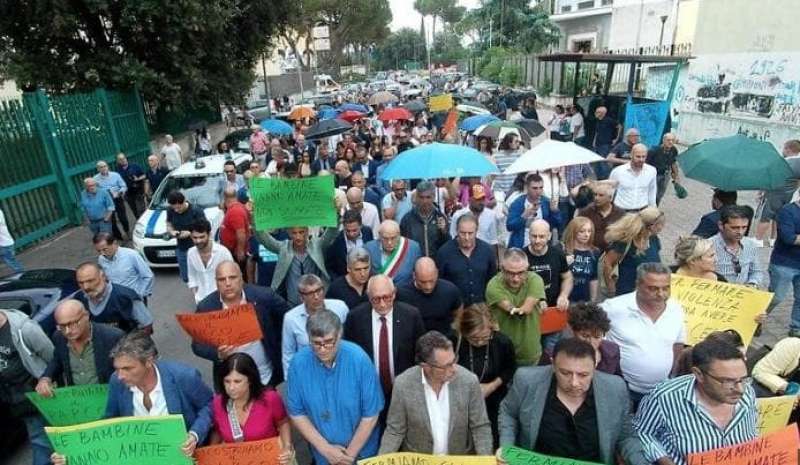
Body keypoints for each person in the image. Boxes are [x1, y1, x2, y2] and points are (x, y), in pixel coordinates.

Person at [499, 338, 646, 465]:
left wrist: (639, 461)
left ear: (595, 367)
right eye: (565, 373)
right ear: (553, 365)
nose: (574, 382)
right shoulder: (527, 380)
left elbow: (625, 435)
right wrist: (507, 448)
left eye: (583, 375)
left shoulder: (615, 388)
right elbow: (508, 412)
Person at [634, 337, 757, 465]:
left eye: (743, 379)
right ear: (699, 374)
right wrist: (665, 461)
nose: (740, 389)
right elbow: (642, 433)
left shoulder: (748, 394)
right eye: (727, 381)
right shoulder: (664, 397)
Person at [286, 310, 384, 465]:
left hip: (362, 454)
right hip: (323, 455)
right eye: (316, 343)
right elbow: (297, 413)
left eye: (328, 342)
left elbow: (371, 415)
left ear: (339, 335)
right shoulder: (298, 364)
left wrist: (347, 457)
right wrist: (326, 450)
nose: (322, 349)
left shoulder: (359, 359)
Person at [379, 330, 493, 455]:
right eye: (446, 366)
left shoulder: (469, 381)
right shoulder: (403, 384)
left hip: (457, 459)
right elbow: (395, 430)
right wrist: (382, 459)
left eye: (454, 361)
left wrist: (486, 459)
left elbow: (480, 427)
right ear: (425, 366)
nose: (453, 369)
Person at [103, 332, 213, 457]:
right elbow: (110, 418)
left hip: (180, 457)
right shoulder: (116, 381)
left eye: (128, 368)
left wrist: (194, 435)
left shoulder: (184, 376)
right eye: (117, 369)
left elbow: (210, 405)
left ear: (149, 361)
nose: (121, 376)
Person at [601, 263, 686, 408]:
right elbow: (584, 326)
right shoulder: (613, 308)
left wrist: (671, 375)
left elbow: (677, 344)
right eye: (653, 288)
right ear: (638, 285)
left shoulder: (676, 309)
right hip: (621, 391)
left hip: (659, 393)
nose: (661, 294)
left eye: (666, 288)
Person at [344, 275, 425, 401]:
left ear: (394, 294)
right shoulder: (355, 318)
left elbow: (421, 354)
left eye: (386, 297)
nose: (382, 304)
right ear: (368, 296)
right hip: (368, 392)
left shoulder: (411, 316)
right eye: (376, 299)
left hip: (404, 392)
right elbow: (349, 355)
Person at [209, 353, 294, 464]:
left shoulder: (270, 398)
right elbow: (217, 430)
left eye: (237, 381)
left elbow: (283, 422)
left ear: (250, 380)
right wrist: (211, 454)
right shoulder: (218, 403)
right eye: (227, 381)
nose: (231, 387)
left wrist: (286, 446)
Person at [453, 304, 516, 447]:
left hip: (493, 399)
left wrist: (491, 386)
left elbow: (510, 368)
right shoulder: (454, 341)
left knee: (491, 440)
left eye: (485, 338)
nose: (480, 342)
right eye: (474, 338)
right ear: (464, 331)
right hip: (462, 400)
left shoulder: (502, 342)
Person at [0, 308, 54, 465]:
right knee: (39, 440)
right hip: (17, 400)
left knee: (49, 439)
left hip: (39, 394)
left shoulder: (25, 329)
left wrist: (46, 380)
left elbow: (52, 357)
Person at [36, 300, 124, 394]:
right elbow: (57, 360)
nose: (68, 331)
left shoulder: (112, 337)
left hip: (108, 397)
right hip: (78, 401)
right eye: (62, 326)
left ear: (86, 316)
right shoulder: (59, 337)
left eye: (73, 323)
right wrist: (46, 378)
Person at [486, 248, 546, 366]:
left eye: (520, 273)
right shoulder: (493, 285)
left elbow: (527, 308)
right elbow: (507, 306)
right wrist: (514, 309)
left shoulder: (536, 280)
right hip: (503, 353)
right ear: (502, 269)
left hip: (530, 353)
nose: (516, 278)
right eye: (510, 273)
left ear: (527, 268)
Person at [256, 223, 338, 307]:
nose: (298, 237)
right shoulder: (284, 248)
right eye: (294, 233)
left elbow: (330, 234)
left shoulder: (316, 245)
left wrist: (337, 215)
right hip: (292, 303)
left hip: (316, 301)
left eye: (301, 232)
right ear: (289, 234)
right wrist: (254, 221)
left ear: (307, 232)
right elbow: (265, 240)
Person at [282, 274, 349, 376]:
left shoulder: (340, 307)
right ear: (301, 297)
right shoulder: (291, 318)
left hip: (340, 369)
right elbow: (288, 353)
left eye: (319, 290)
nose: (316, 297)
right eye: (310, 293)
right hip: (308, 372)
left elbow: (348, 339)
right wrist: (290, 379)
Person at [545, 302, 623, 376]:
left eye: (597, 337)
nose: (591, 342)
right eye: (585, 336)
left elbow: (617, 380)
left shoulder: (613, 350)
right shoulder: (554, 354)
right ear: (572, 331)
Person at [74, 262, 154, 334]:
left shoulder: (126, 297)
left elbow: (146, 325)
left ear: (103, 277)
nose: (86, 287)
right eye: (81, 283)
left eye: (90, 281)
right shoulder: (79, 299)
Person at [601, 207, 664, 297]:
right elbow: (607, 263)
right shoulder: (625, 242)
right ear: (651, 226)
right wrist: (611, 287)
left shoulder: (653, 239)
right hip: (625, 292)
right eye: (660, 224)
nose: (662, 227)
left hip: (646, 292)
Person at [438, 214, 498, 306]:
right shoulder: (444, 252)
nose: (466, 237)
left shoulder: (487, 251)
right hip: (454, 309)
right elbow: (440, 283)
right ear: (456, 231)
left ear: (476, 231)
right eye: (463, 233)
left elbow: (493, 280)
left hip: (481, 310)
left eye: (470, 233)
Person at [396, 257, 463, 336]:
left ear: (437, 273)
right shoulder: (401, 293)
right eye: (423, 282)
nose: (428, 286)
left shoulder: (450, 290)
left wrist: (454, 328)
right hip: (415, 342)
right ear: (414, 275)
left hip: (444, 340)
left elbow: (458, 310)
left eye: (432, 281)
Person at [756, 140, 800, 247]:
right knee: (778, 217)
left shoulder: (783, 163)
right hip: (790, 194)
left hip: (775, 193)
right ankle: (773, 239)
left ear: (788, 149)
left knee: (766, 216)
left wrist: (761, 191)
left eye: (784, 148)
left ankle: (758, 239)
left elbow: (769, 178)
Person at [768, 194, 800, 336]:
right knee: (776, 297)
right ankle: (756, 318)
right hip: (784, 262)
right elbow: (789, 238)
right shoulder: (788, 211)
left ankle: (796, 328)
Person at [524, 220, 573, 312]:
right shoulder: (522, 257)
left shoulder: (558, 254)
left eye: (541, 237)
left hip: (555, 308)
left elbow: (567, 277)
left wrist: (563, 295)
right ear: (529, 235)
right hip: (529, 311)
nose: (537, 241)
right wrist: (535, 300)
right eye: (534, 236)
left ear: (549, 236)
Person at [711, 205, 764, 286]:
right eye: (735, 228)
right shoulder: (708, 246)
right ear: (721, 225)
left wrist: (752, 283)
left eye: (744, 227)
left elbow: (756, 271)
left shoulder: (750, 245)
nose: (740, 232)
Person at [506, 174, 562, 249]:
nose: (538, 191)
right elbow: (509, 226)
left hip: (541, 246)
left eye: (541, 188)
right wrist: (524, 215)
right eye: (534, 188)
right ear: (527, 188)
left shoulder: (546, 202)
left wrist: (554, 211)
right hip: (521, 246)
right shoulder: (518, 203)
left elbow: (557, 224)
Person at [94, 232, 154, 300]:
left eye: (105, 249)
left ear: (114, 243)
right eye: (99, 251)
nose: (102, 253)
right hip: (117, 299)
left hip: (134, 299)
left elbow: (148, 276)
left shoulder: (132, 255)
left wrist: (139, 294)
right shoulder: (101, 259)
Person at [364, 220, 422, 288]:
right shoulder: (368, 248)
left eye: (393, 238)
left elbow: (418, 275)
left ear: (399, 234)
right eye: (385, 238)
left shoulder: (413, 248)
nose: (389, 242)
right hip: (379, 295)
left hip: (405, 294)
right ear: (379, 235)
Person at [187, 219, 233, 303]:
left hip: (222, 300)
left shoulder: (223, 252)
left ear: (209, 235)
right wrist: (195, 291)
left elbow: (233, 275)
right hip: (201, 299)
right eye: (195, 237)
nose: (198, 241)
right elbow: (191, 275)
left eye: (202, 237)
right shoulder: (191, 253)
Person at [166, 190, 207, 283]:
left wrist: (190, 233)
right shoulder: (170, 210)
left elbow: (205, 230)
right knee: (186, 277)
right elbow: (168, 223)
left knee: (201, 275)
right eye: (174, 208)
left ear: (184, 201)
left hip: (197, 248)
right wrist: (171, 231)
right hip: (182, 248)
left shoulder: (196, 211)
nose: (176, 210)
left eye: (179, 208)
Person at [400, 181, 449, 257]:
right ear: (416, 197)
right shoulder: (407, 219)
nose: (425, 201)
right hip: (415, 264)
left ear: (434, 197)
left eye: (428, 197)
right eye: (421, 197)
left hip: (435, 264)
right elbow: (402, 245)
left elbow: (448, 245)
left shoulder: (440, 218)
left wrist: (444, 232)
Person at [577, 182, 625, 252]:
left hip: (612, 253)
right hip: (590, 252)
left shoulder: (620, 213)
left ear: (610, 198)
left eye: (601, 195)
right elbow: (576, 231)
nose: (596, 198)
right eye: (595, 195)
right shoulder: (585, 212)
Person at [326, 209, 374, 279]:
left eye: (354, 230)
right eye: (348, 231)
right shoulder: (336, 242)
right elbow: (329, 267)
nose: (351, 234)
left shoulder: (367, 232)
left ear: (361, 226)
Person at [608, 143, 657, 212]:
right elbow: (610, 192)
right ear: (631, 155)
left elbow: (652, 191)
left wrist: (653, 210)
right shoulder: (617, 171)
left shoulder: (651, 171)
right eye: (638, 156)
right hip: (621, 211)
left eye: (643, 157)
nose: (641, 159)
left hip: (642, 211)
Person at [450, 184, 499, 251]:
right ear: (470, 199)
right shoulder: (458, 215)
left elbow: (493, 240)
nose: (481, 202)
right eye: (478, 199)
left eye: (483, 199)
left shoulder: (491, 215)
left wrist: (495, 260)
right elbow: (453, 237)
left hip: (484, 254)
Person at [562, 217, 600, 302]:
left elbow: (594, 277)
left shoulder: (594, 252)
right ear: (573, 232)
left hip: (584, 299)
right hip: (565, 300)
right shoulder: (563, 250)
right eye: (582, 231)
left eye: (589, 231)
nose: (586, 235)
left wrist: (593, 300)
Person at [94, 160, 129, 239]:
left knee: (123, 218)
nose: (103, 168)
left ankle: (127, 232)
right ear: (98, 169)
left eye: (105, 166)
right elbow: (96, 191)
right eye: (101, 167)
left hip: (117, 198)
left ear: (107, 166)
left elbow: (124, 186)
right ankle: (119, 237)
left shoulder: (115, 175)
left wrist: (120, 192)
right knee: (111, 221)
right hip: (106, 202)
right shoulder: (95, 179)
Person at [220, 187, 250, 270]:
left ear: (225, 198)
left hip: (235, 252)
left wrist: (240, 251)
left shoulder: (235, 211)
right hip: (233, 250)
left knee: (238, 275)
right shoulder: (236, 208)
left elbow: (241, 233)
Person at [646, 133, 680, 205]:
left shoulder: (674, 150)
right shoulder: (654, 150)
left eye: (672, 140)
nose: (670, 142)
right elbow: (646, 164)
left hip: (665, 175)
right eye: (668, 140)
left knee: (659, 195)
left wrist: (676, 176)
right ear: (663, 140)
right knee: (650, 194)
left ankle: (654, 210)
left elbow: (673, 163)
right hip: (654, 175)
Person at [589, 106, 621, 180]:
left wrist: (616, 138)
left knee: (604, 162)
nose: (595, 113)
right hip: (597, 144)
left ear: (603, 113)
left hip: (605, 144)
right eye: (596, 111)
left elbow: (619, 126)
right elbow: (597, 132)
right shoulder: (598, 121)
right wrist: (594, 141)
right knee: (597, 162)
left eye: (597, 112)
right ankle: (599, 178)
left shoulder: (609, 120)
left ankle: (606, 178)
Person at [115, 152, 146, 219]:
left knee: (141, 210)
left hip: (138, 192)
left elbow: (144, 175)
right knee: (135, 211)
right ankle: (140, 223)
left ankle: (145, 222)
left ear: (126, 158)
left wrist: (138, 179)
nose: (123, 160)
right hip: (128, 194)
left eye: (124, 158)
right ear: (118, 161)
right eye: (120, 159)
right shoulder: (117, 171)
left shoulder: (135, 166)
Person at [0, 208, 22, 273]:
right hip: (5, 243)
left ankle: (21, 274)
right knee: (12, 261)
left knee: (12, 262)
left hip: (5, 245)